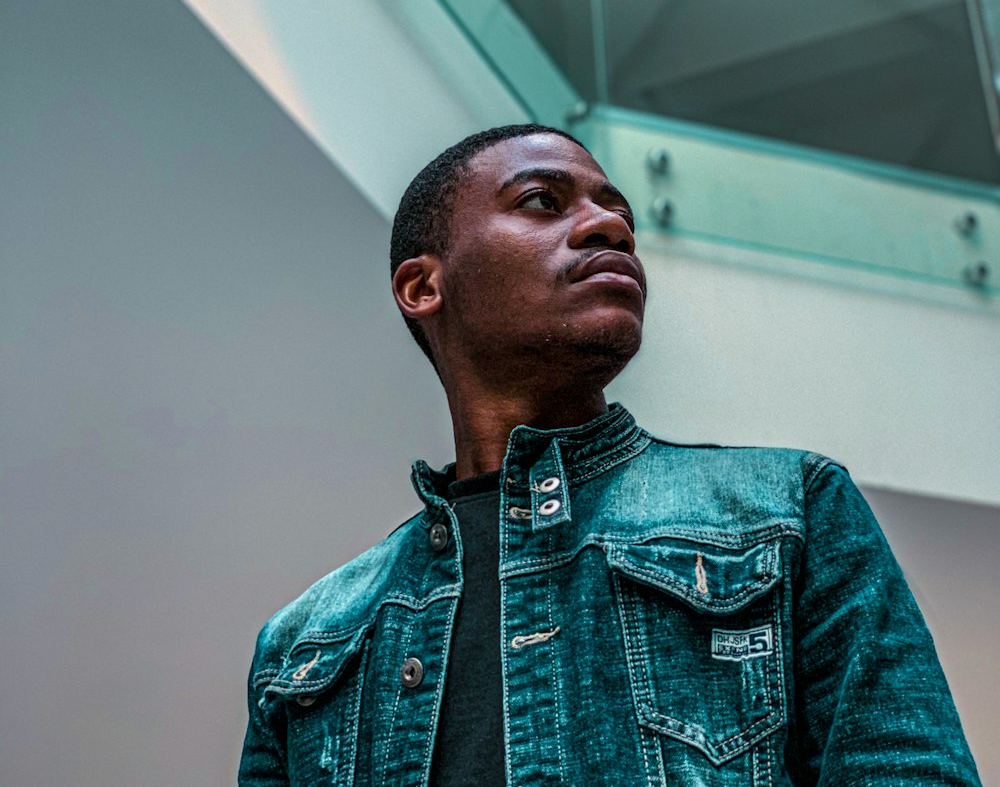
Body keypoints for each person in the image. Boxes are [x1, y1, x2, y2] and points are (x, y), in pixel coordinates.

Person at [239, 123, 981, 786]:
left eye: (619, 213)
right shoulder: (303, 645)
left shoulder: (792, 510)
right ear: (423, 284)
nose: (610, 227)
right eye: (541, 200)